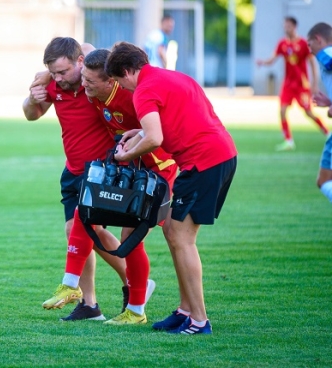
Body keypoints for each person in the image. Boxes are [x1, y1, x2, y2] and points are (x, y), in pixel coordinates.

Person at [105, 41, 238, 335]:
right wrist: (137, 131)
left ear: (127, 71)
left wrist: (126, 155)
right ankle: (185, 310)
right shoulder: (175, 77)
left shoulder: (143, 90)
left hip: (202, 162)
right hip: (222, 154)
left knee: (181, 237)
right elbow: (177, 120)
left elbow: (154, 138)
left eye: (118, 81)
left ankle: (199, 320)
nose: (122, 88)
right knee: (173, 232)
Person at [41, 48, 177, 325]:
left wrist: (128, 151)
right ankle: (75, 287)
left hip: (157, 171)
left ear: (111, 81)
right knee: (85, 212)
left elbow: (157, 135)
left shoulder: (131, 97)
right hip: (129, 169)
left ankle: (137, 310)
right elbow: (87, 51)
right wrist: (44, 76)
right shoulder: (95, 93)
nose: (84, 86)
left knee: (131, 237)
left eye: (89, 82)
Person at [23, 37, 128, 321]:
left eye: (63, 71)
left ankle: (135, 283)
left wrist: (52, 74)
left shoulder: (92, 79)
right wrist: (35, 95)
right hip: (72, 170)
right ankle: (90, 305)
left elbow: (92, 47)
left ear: (79, 62)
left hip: (100, 170)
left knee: (87, 232)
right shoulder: (54, 84)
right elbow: (31, 114)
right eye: (53, 72)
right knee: (76, 234)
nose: (58, 78)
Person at [256, 16, 328, 151]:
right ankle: (288, 140)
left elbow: (312, 62)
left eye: (288, 26)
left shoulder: (303, 43)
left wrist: (314, 83)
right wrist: (263, 62)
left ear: (294, 27)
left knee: (308, 112)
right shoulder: (282, 43)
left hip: (301, 84)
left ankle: (327, 132)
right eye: (285, 26)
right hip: (288, 85)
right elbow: (272, 59)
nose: (286, 28)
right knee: (282, 111)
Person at [307, 22, 332, 203]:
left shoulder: (325, 55)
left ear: (318, 39)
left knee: (324, 181)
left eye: (310, 45)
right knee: (323, 181)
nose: (309, 50)